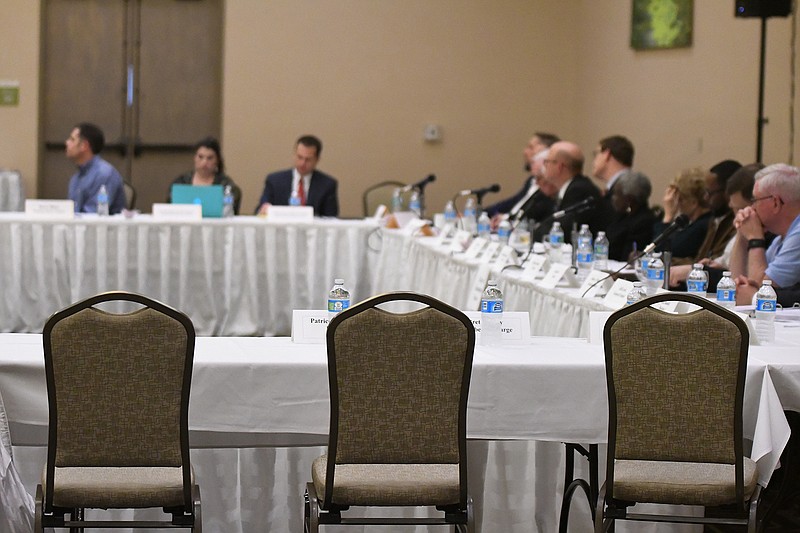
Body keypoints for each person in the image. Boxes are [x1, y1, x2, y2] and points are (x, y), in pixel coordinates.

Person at [668, 163, 760, 288]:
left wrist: (699, 270)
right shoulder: (715, 221)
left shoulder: (733, 223)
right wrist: (715, 264)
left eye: (710, 193)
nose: (705, 198)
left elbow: (749, 281)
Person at [729, 163, 800, 304]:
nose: (752, 208)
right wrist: (742, 234)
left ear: (775, 202)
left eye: (755, 200)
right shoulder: (781, 238)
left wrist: (755, 238)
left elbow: (762, 291)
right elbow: (735, 286)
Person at [534, 140, 602, 243]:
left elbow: (563, 229)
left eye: (547, 161)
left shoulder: (579, 190)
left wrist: (534, 235)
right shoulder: (572, 187)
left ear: (559, 166)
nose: (545, 166)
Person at [485, 132, 559, 223]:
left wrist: (506, 220)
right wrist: (484, 213)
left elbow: (535, 214)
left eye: (531, 147)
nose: (525, 152)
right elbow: (513, 202)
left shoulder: (550, 186)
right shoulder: (531, 181)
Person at [256, 135, 338, 217]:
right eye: (300, 157)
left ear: (317, 160)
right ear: (294, 155)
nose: (302, 163)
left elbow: (330, 218)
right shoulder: (274, 181)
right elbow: (259, 210)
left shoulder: (327, 185)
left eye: (308, 159)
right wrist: (264, 209)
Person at [652, 167, 712, 264]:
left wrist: (668, 216)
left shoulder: (702, 225)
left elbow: (661, 251)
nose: (677, 204)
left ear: (694, 202)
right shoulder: (692, 223)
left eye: (680, 199)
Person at [168, 137, 242, 214]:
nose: (204, 162)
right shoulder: (181, 182)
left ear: (217, 161)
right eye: (200, 157)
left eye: (210, 158)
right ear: (194, 158)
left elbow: (231, 206)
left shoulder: (225, 184)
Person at [65, 122, 126, 214]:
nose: (67, 142)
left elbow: (94, 215)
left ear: (84, 146)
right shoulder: (76, 177)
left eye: (72, 139)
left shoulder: (104, 174)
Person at [604, 170, 656, 261]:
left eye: (617, 194)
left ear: (629, 199)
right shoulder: (621, 216)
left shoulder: (643, 223)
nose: (613, 198)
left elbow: (627, 257)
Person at [591, 135, 634, 230]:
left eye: (596, 154)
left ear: (607, 154)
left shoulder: (626, 188)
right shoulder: (622, 185)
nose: (594, 160)